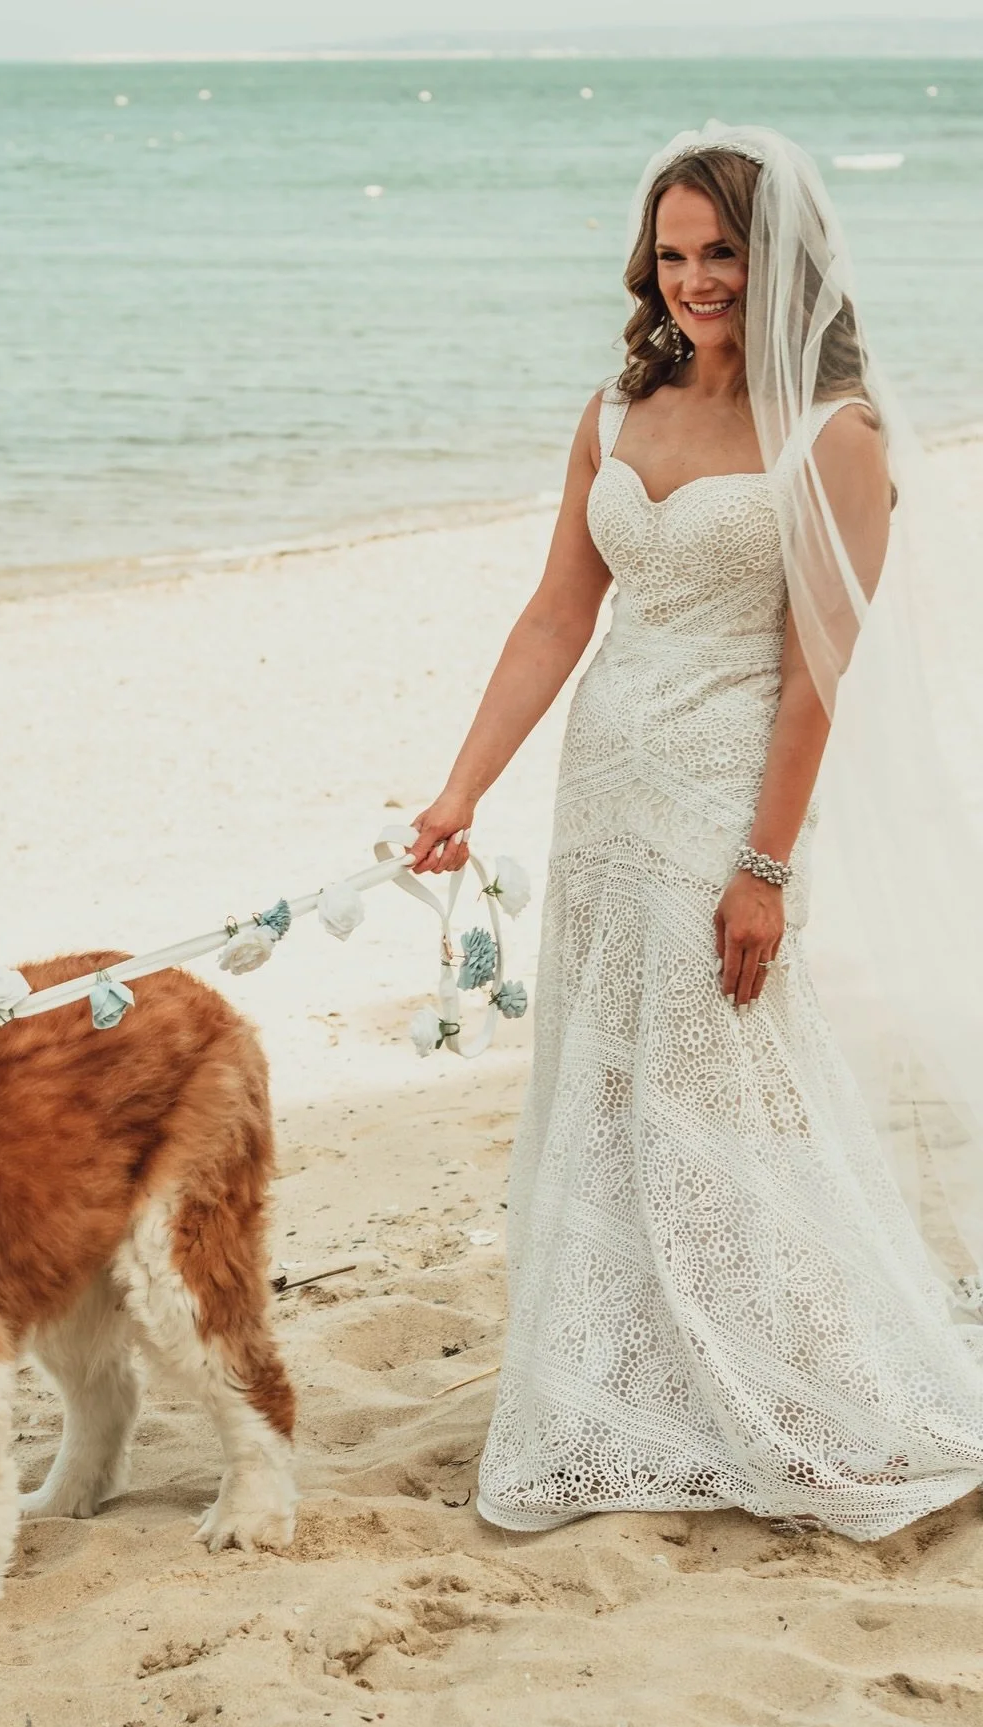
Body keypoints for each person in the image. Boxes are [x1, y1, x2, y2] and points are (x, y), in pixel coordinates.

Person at [410, 123, 983, 1540]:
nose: (695, 279)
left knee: (729, 1090)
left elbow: (817, 674)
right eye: (672, 254)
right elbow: (559, 612)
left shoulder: (833, 436)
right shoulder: (615, 412)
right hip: (604, 793)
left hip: (727, 805)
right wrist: (462, 788)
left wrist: (765, 867)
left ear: (779, 259)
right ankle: (630, 1380)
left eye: (723, 250)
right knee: (609, 1083)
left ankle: (811, 1382)